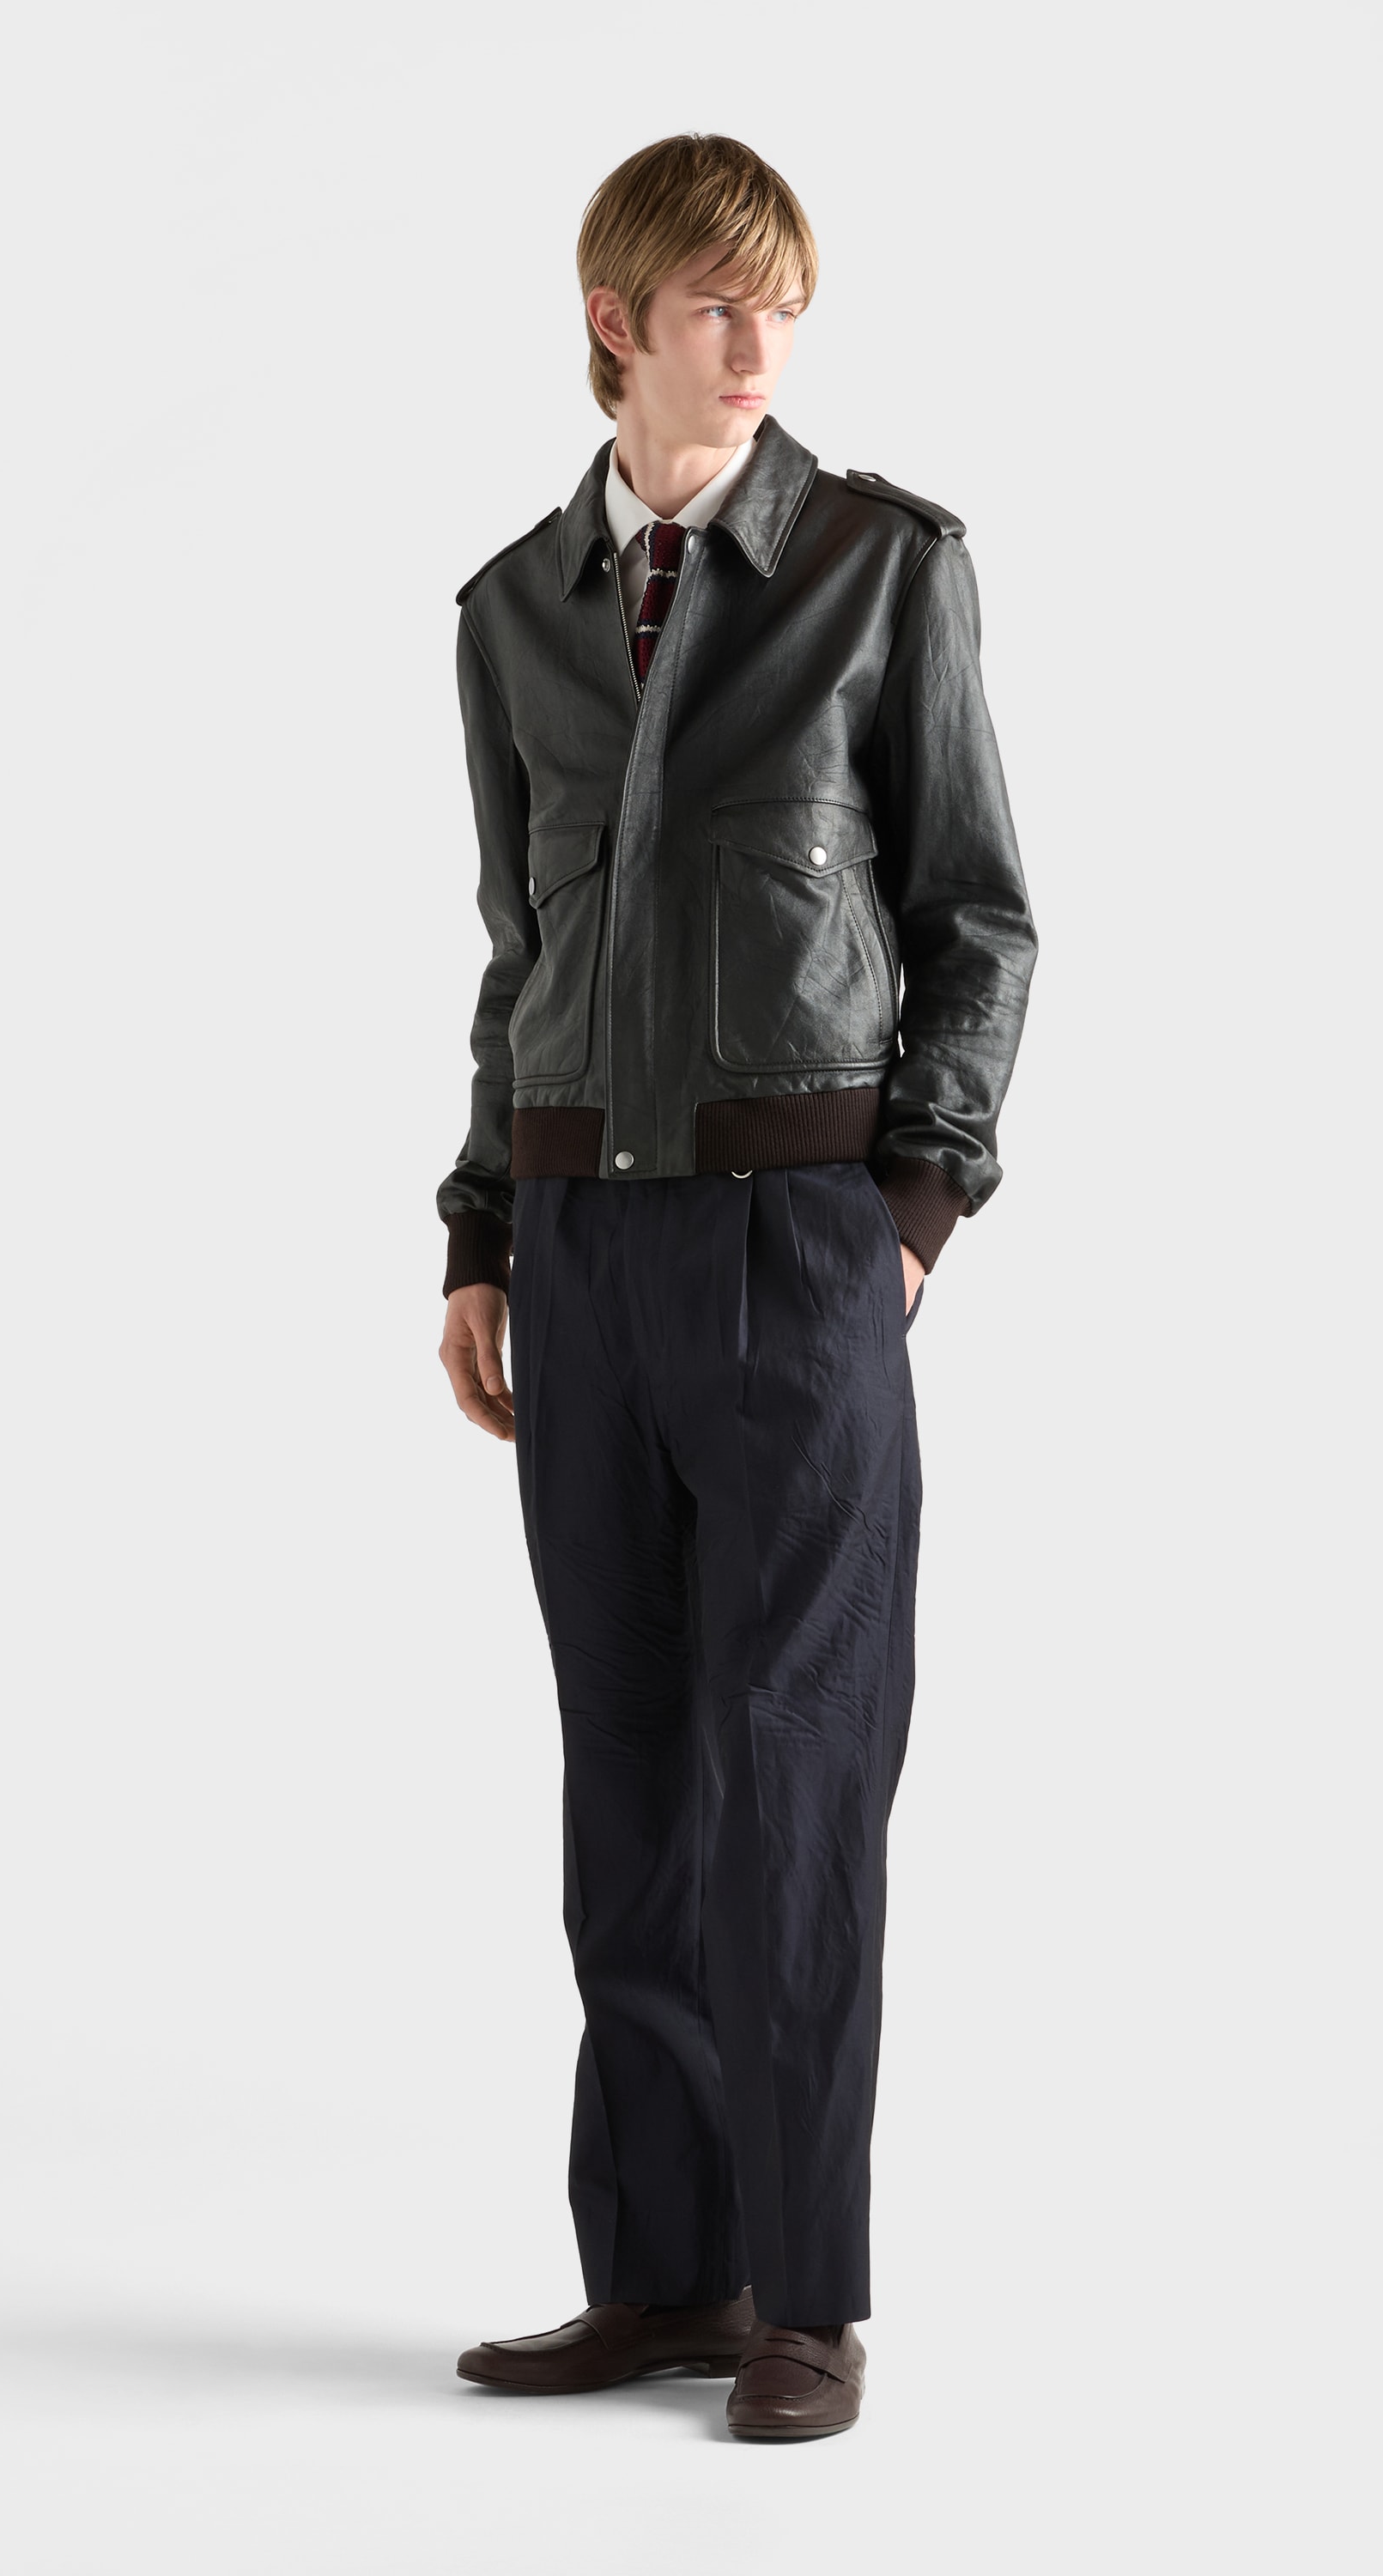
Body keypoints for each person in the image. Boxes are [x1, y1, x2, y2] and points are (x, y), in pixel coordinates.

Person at [434, 132, 1037, 2441]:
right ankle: (664, 2278)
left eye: (781, 296)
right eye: (716, 300)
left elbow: (979, 916)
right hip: (584, 1246)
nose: (761, 337)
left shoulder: (883, 569)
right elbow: (520, 957)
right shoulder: (513, 613)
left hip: (801, 1245)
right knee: (632, 1778)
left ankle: (805, 2300)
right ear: (619, 323)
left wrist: (914, 1207)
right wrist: (483, 1229)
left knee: (794, 1770)